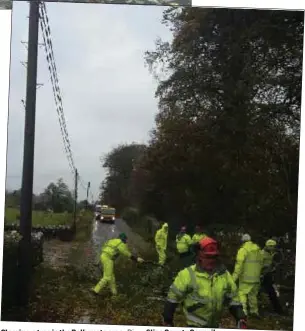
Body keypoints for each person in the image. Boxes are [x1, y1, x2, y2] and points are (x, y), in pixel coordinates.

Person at [162, 237, 247, 329]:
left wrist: (240, 317)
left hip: (215, 326)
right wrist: (167, 320)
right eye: (208, 257)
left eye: (214, 257)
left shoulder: (224, 275)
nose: (211, 260)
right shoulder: (187, 275)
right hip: (194, 326)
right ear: (199, 256)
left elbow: (233, 298)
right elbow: (172, 298)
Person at [232, 234, 263, 318]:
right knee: (253, 295)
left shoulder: (243, 250)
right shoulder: (258, 250)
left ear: (242, 241)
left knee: (241, 294)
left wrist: (233, 278)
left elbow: (239, 265)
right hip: (256, 278)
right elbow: (261, 263)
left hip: (246, 278)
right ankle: (254, 311)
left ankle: (243, 312)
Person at [260, 239, 284, 315]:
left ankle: (278, 310)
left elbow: (272, 262)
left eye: (274, 246)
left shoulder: (270, 253)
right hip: (262, 275)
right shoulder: (261, 254)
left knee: (271, 292)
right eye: (272, 246)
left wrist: (272, 267)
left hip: (267, 275)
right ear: (268, 246)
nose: (273, 248)